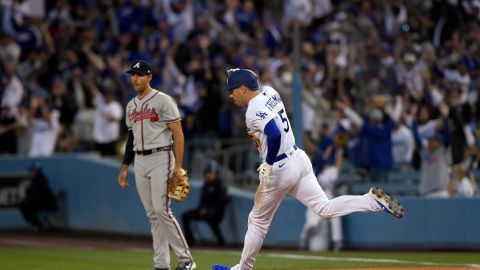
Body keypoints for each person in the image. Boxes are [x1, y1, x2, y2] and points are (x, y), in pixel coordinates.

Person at [212, 69, 404, 270]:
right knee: (324, 209)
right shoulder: (270, 91)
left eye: (232, 89)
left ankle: (243, 269)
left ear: (243, 89)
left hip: (278, 168)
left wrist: (268, 163)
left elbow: (274, 134)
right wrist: (242, 73)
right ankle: (371, 201)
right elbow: (260, 91)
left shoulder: (252, 110)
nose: (230, 94)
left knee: (258, 221)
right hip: (298, 158)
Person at [117, 60, 196, 270]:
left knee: (162, 210)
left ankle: (186, 259)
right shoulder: (131, 106)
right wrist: (125, 166)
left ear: (149, 77)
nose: (135, 78)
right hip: (139, 160)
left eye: (140, 74)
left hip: (162, 155)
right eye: (133, 74)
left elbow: (178, 134)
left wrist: (178, 167)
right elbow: (131, 138)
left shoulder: (163, 100)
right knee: (152, 214)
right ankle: (161, 264)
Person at [182, 160, 229, 246]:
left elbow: (221, 202)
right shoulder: (206, 185)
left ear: (216, 174)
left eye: (212, 173)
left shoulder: (220, 186)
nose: (209, 175)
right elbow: (203, 201)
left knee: (213, 221)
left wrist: (209, 210)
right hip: (203, 211)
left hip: (215, 213)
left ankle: (221, 242)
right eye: (208, 173)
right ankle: (190, 240)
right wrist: (201, 209)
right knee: (185, 216)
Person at [19, 164, 58, 232]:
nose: (30, 173)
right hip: (40, 203)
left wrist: (27, 197)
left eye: (32, 171)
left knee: (25, 204)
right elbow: (31, 195)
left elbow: (36, 195)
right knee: (24, 204)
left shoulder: (41, 181)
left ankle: (38, 224)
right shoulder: (34, 181)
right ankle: (37, 224)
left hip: (47, 204)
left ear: (37, 172)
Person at [92, 88, 123, 156]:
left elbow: (116, 118)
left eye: (109, 96)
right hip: (99, 138)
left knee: (110, 158)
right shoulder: (100, 101)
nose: (108, 97)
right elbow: (94, 92)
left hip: (110, 138)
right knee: (97, 159)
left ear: (112, 97)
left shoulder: (116, 106)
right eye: (106, 96)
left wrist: (107, 116)